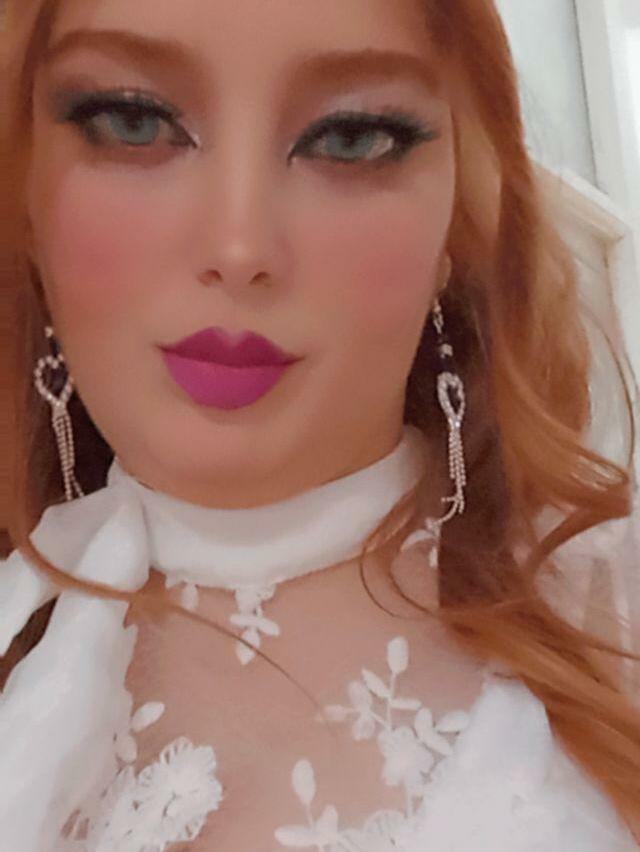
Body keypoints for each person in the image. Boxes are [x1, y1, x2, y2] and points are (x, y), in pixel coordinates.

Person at [0, 0, 639, 849]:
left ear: (455, 213)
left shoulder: (611, 610)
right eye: (132, 120)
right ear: (23, 195)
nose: (238, 247)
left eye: (352, 136)